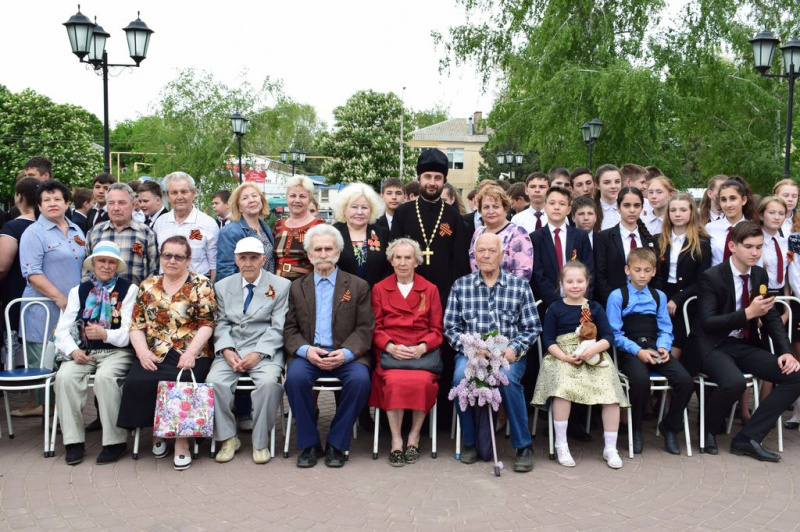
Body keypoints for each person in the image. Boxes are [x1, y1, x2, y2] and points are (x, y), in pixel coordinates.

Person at [684, 222, 800, 461]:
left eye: (758, 247)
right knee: (735, 382)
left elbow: (770, 318)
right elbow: (707, 322)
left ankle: (747, 438)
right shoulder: (711, 277)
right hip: (710, 344)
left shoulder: (759, 274)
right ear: (732, 246)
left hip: (742, 345)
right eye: (748, 247)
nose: (754, 252)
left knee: (794, 376)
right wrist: (747, 313)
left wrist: (785, 352)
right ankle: (707, 429)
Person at [117, 236, 216, 471]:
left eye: (178, 256)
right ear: (160, 257)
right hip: (155, 350)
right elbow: (136, 325)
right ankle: (158, 432)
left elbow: (207, 324)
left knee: (180, 381)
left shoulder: (201, 284)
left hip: (191, 350)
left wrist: (191, 352)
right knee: (138, 380)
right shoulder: (148, 285)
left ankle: (181, 441)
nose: (172, 260)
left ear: (188, 259)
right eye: (167, 255)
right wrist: (141, 353)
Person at [445, 232, 541, 472]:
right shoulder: (461, 285)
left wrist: (513, 348)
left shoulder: (519, 286)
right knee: (460, 379)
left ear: (502, 255)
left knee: (507, 380)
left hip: (507, 353)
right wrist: (470, 348)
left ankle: (523, 446)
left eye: (491, 251)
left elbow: (532, 327)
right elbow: (450, 327)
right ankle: (469, 442)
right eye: (481, 251)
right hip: (473, 353)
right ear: (474, 255)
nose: (486, 255)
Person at [283, 224, 374, 468]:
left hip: (346, 356)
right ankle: (310, 444)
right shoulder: (296, 287)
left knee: (360, 381)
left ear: (337, 251)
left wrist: (345, 353)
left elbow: (365, 328)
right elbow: (289, 330)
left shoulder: (357, 286)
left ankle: (336, 443)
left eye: (328, 248)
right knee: (294, 379)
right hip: (309, 356)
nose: (323, 253)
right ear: (310, 254)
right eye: (318, 249)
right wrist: (306, 350)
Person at [532, 262, 629, 469]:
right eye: (569, 281)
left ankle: (610, 448)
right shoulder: (555, 308)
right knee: (563, 389)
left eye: (579, 281)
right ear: (561, 284)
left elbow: (609, 336)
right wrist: (565, 357)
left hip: (592, 354)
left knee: (610, 390)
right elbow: (548, 340)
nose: (574, 286)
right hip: (562, 355)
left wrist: (595, 349)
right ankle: (561, 444)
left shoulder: (594, 308)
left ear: (587, 283)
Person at [207, 237, 290, 465]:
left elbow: (278, 326)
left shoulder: (281, 286)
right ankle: (228, 438)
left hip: (264, 350)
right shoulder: (223, 286)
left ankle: (260, 441)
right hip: (232, 348)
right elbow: (221, 322)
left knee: (269, 384)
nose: (248, 263)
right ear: (236, 260)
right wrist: (226, 349)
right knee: (214, 382)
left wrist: (258, 353)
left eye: (254, 258)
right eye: (243, 258)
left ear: (263, 260)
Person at [53, 241, 138, 465]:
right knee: (64, 377)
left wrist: (105, 334)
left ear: (117, 266)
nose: (106, 266)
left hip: (117, 352)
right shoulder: (78, 291)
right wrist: (73, 351)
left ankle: (115, 442)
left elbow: (130, 332)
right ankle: (73, 442)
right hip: (84, 352)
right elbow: (62, 330)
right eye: (102, 261)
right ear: (94, 264)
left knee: (105, 378)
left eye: (111, 262)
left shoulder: (129, 290)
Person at [606, 248, 693, 455]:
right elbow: (614, 334)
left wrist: (663, 347)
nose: (642, 275)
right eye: (637, 270)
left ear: (654, 271)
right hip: (630, 349)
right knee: (640, 381)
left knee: (685, 380)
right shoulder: (618, 296)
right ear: (628, 270)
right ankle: (635, 429)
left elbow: (665, 328)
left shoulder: (658, 296)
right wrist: (637, 351)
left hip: (655, 346)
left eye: (647, 270)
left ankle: (669, 427)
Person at [368, 238, 443, 467]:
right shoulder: (380, 288)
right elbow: (375, 327)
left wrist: (422, 346)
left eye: (407, 258)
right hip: (392, 355)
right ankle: (396, 441)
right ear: (391, 260)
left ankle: (414, 437)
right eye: (397, 257)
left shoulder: (430, 289)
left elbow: (437, 329)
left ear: (416, 261)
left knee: (422, 383)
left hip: (421, 356)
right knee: (392, 382)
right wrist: (390, 346)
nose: (402, 262)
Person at [15, 180, 85, 417]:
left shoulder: (77, 230)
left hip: (73, 313)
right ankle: (50, 422)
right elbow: (32, 273)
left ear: (67, 203)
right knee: (45, 369)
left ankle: (68, 418)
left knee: (68, 366)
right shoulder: (33, 233)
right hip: (44, 312)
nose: (52, 204)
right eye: (46, 200)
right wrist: (61, 299)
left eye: (57, 199)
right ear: (39, 205)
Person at [390, 149, 471, 308]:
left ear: (444, 181)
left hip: (444, 297)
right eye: (427, 177)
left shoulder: (453, 216)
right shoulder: (403, 212)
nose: (432, 183)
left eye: (438, 178)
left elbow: (459, 262)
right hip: (407, 293)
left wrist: (448, 296)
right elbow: (393, 256)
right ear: (419, 178)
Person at [655, 193, 711, 360]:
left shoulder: (702, 242)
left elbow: (702, 280)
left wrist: (678, 299)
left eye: (682, 210)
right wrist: (662, 298)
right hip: (662, 294)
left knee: (678, 337)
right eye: (673, 210)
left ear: (691, 212)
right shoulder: (658, 240)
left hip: (688, 297)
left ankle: (675, 381)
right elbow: (655, 273)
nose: (677, 214)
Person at [531, 186, 594, 314]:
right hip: (548, 305)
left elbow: (589, 269)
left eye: (562, 204)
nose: (556, 207)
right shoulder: (535, 238)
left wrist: (581, 299)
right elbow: (538, 274)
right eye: (552, 203)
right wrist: (556, 303)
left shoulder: (580, 236)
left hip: (579, 302)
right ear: (544, 207)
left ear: (569, 209)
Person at [594, 187, 659, 307]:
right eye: (627, 205)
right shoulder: (604, 238)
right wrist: (613, 301)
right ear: (618, 208)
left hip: (645, 303)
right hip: (614, 302)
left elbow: (656, 273)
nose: (632, 210)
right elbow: (600, 275)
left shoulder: (650, 239)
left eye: (637, 205)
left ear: (642, 208)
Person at [84, 183, 159, 286]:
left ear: (133, 205)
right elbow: (87, 271)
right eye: (111, 203)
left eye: (122, 203)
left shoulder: (146, 234)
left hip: (135, 299)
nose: (116, 208)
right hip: (99, 299)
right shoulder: (95, 233)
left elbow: (154, 272)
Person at [0, 178, 39, 371]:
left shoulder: (13, 228)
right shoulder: (44, 225)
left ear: (19, 197)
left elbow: (2, 266)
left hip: (16, 289)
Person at [153, 171, 219, 281]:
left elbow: (214, 266)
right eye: (174, 193)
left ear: (194, 193)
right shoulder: (160, 223)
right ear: (168, 196)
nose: (179, 197)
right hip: (166, 289)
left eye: (184, 192)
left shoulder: (208, 224)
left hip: (198, 289)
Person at [468, 185, 533, 281]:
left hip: (508, 293)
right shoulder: (478, 232)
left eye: (496, 206)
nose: (491, 211)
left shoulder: (517, 233)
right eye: (486, 207)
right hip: (479, 293)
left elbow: (523, 273)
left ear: (505, 208)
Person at [332, 183, 390, 287]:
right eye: (354, 207)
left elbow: (388, 268)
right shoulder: (333, 233)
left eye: (364, 207)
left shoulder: (383, 234)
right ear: (344, 209)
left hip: (375, 296)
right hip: (342, 296)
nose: (359, 212)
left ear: (371, 210)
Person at [216, 182, 276, 281]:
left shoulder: (265, 228)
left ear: (261, 200)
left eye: (254, 196)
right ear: (239, 207)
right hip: (244, 291)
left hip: (266, 289)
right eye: (245, 198)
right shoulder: (229, 232)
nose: (251, 200)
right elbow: (226, 270)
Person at [273, 175, 325, 281]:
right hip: (277, 287)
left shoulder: (319, 227)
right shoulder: (279, 225)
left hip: (305, 287)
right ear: (286, 197)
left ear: (310, 199)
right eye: (292, 196)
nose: (297, 200)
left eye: (302, 196)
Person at [706, 177, 754, 267]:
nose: (728, 205)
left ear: (744, 200)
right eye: (723, 199)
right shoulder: (710, 228)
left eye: (733, 198)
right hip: (715, 279)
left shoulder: (753, 229)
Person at [596, 165, 622, 230]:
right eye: (607, 182)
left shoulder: (627, 207)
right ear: (597, 185)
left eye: (617, 182)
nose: (613, 186)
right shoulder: (591, 209)